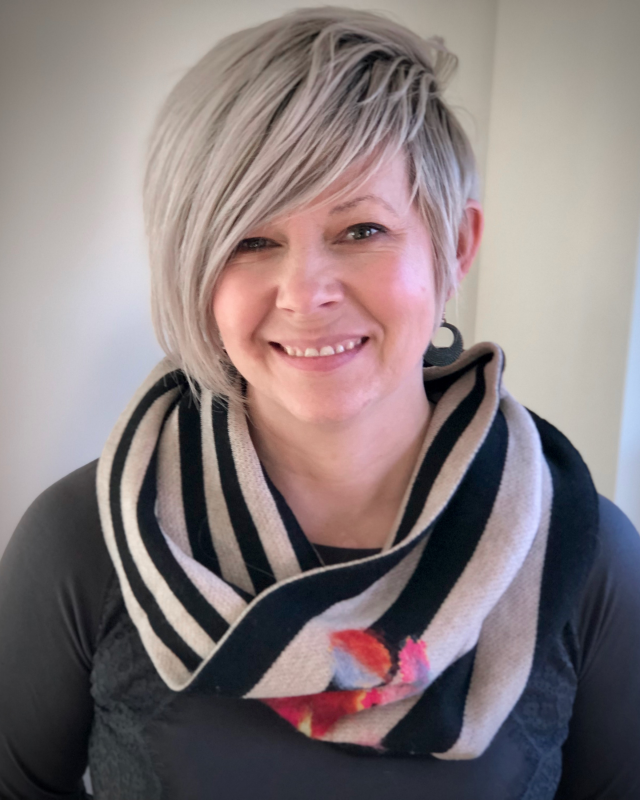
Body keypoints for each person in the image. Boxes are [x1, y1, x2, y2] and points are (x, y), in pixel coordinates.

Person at [1, 7, 639, 799]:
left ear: (457, 248)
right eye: (250, 240)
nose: (305, 294)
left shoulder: (585, 558)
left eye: (362, 229)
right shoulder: (84, 543)